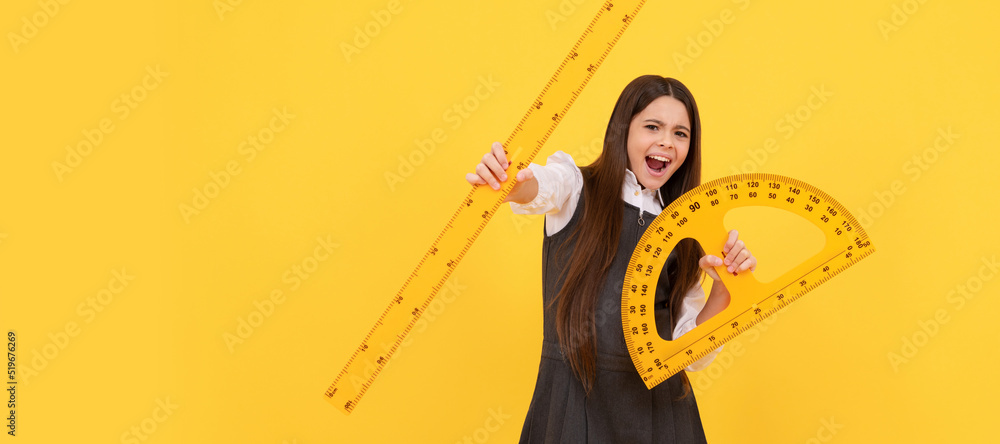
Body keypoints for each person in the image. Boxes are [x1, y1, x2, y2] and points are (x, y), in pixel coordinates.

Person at [466, 75, 758, 443]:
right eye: (653, 126)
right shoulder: (575, 187)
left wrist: (723, 290)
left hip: (662, 414)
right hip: (572, 403)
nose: (666, 141)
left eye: (680, 134)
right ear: (623, 130)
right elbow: (534, 186)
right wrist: (506, 180)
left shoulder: (686, 229)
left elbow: (691, 354)